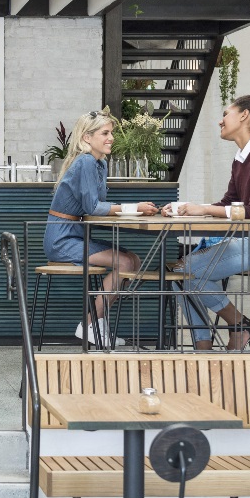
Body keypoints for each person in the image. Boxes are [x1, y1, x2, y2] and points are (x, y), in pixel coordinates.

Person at [163, 94, 250, 350]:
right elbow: (229, 203)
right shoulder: (242, 157)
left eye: (226, 113)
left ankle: (235, 327)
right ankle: (205, 342)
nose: (220, 120)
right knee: (178, 272)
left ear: (244, 115)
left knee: (184, 272)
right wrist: (187, 208)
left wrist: (201, 208)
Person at [44, 110, 159, 347]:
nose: (111, 138)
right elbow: (93, 207)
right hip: (62, 240)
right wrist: (133, 207)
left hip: (75, 234)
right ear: (87, 137)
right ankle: (89, 324)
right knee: (125, 263)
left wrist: (130, 209)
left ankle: (98, 324)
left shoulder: (99, 163)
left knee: (133, 260)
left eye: (111, 133)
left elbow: (95, 207)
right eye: (105, 133)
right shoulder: (86, 161)